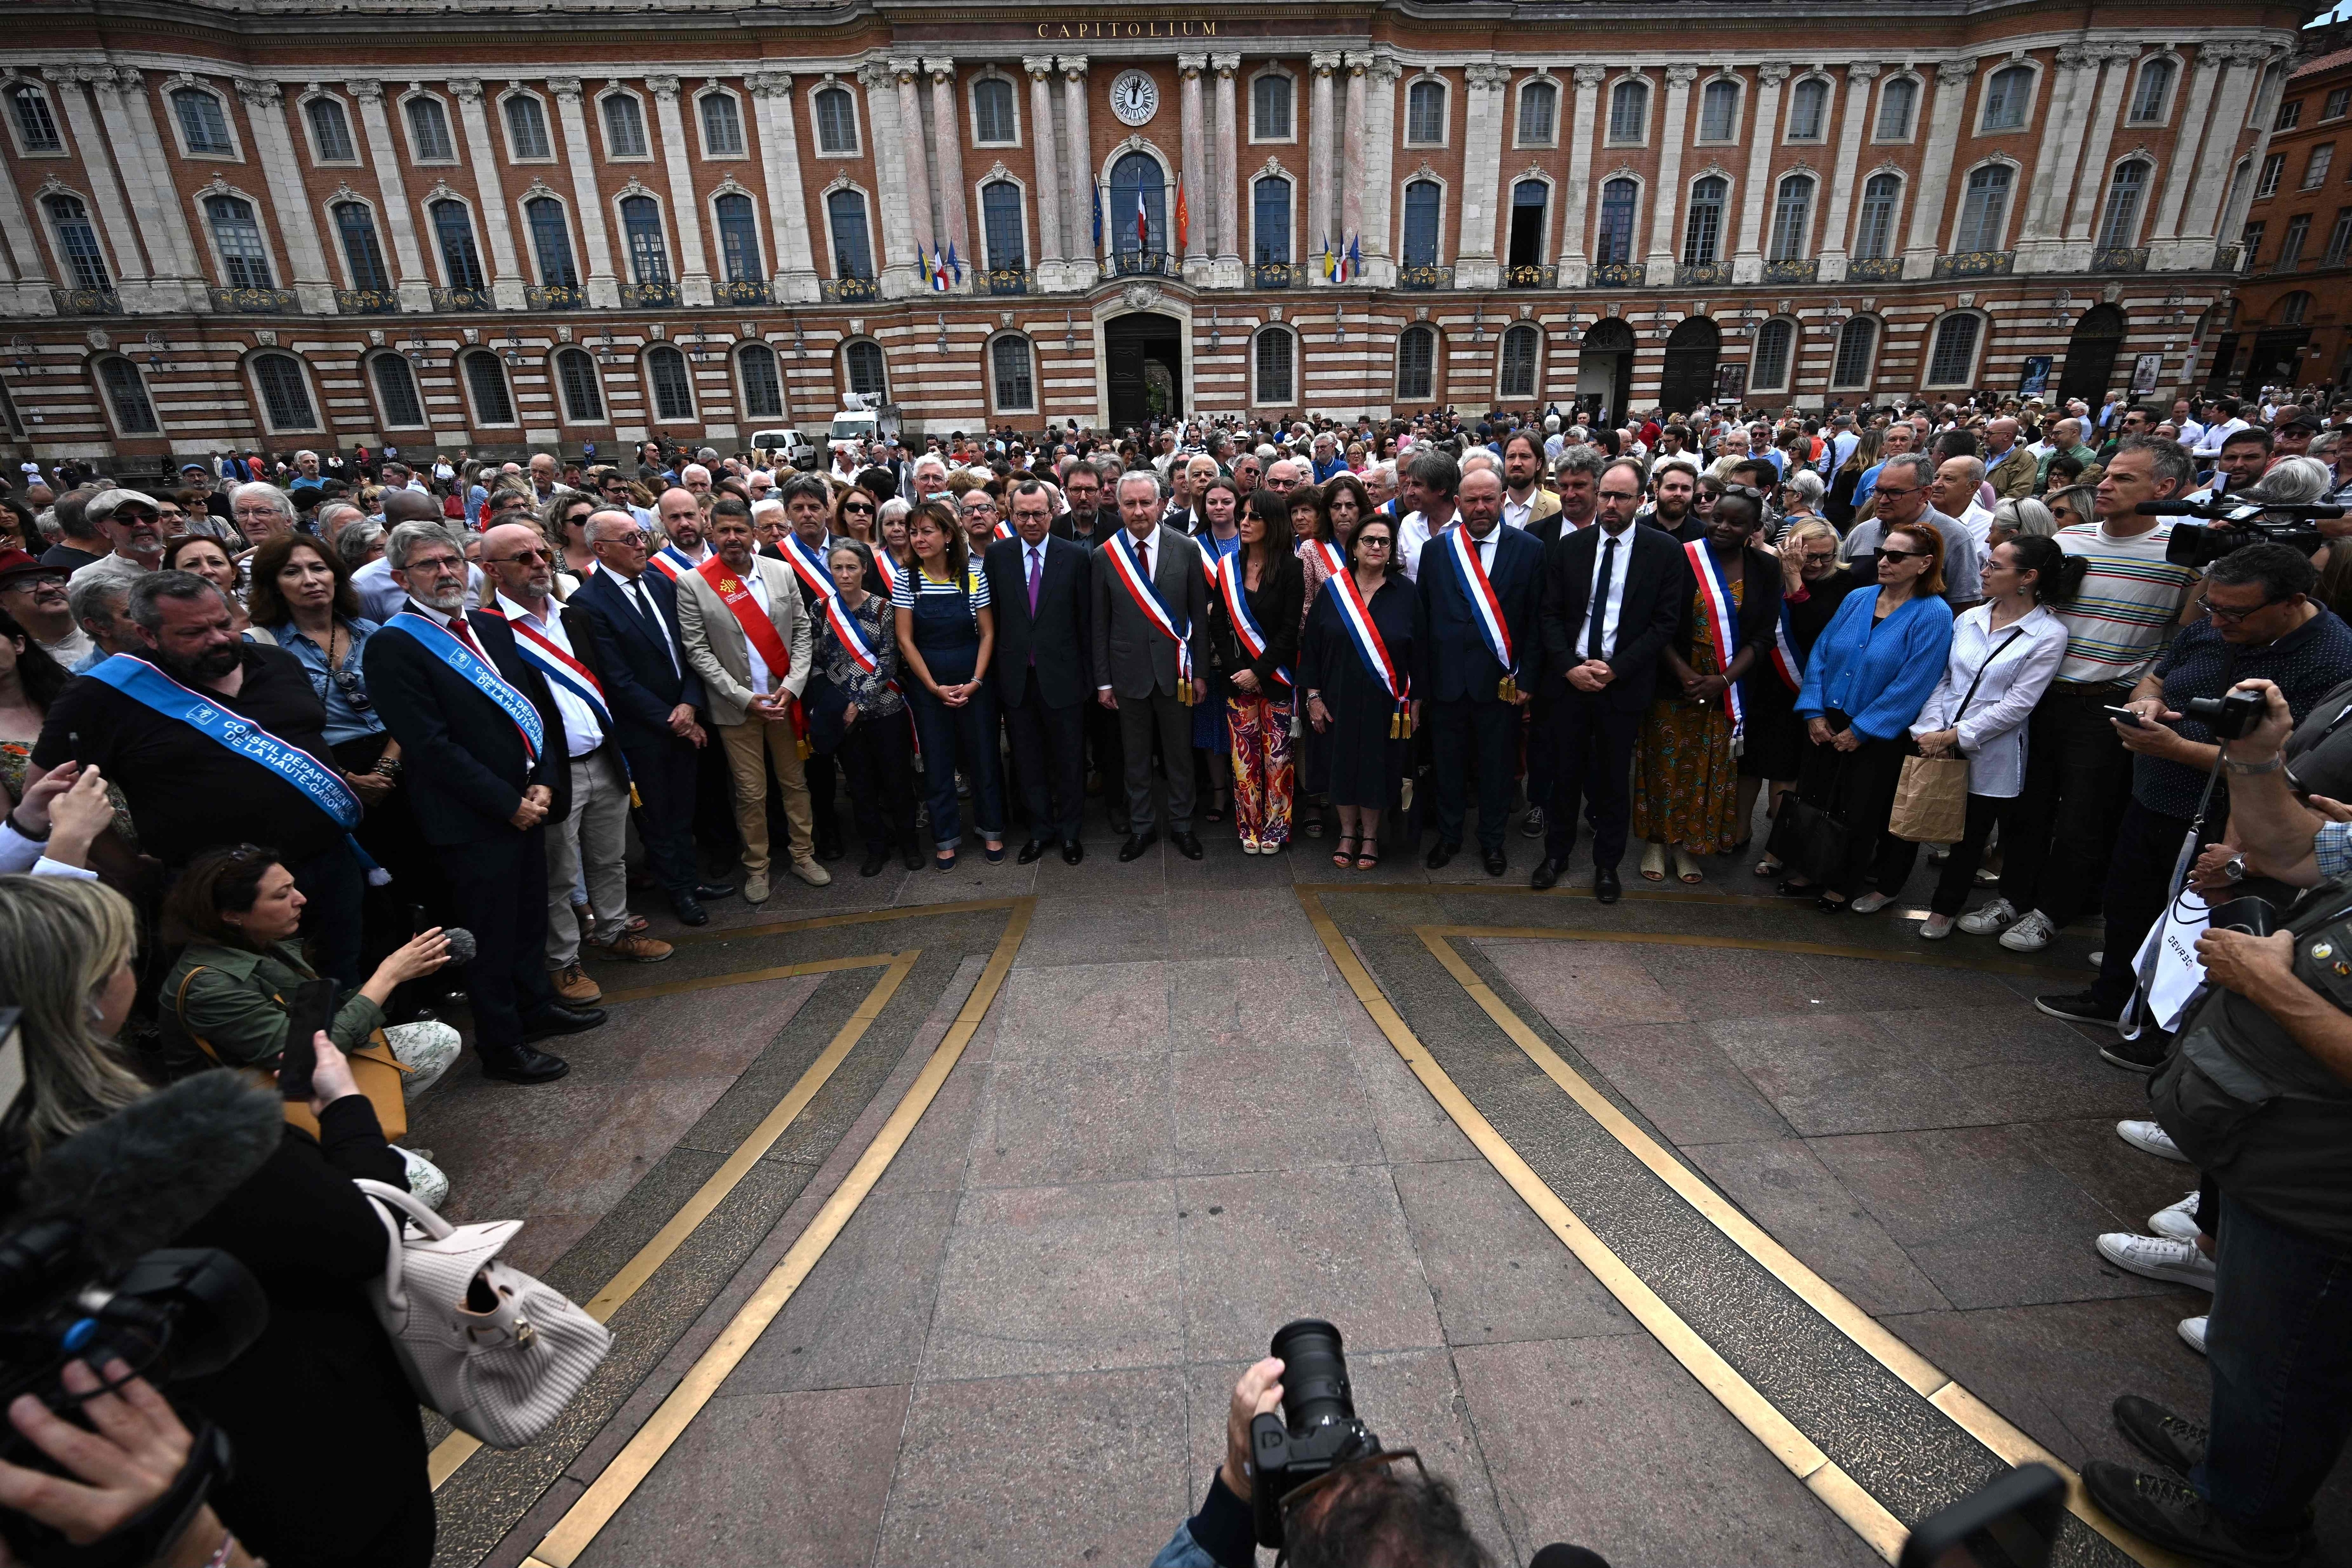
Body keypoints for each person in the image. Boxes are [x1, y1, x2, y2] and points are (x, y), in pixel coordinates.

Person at [2063, 677, 2352, 1563]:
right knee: (2251, 1333)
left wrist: (2270, 983)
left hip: (2327, 1184)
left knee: (2288, 1351)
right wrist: (2258, 759)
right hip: (2276, 1139)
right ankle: (2238, 1455)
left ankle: (2249, 1515)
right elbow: (2298, 848)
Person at [2037, 543, 2352, 1051]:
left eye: (2234, 613)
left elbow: (2292, 767)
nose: (2219, 621)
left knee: (2200, 928)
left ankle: (2167, 1037)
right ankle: (2113, 993)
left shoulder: (2334, 659)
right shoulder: (2212, 624)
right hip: (2155, 793)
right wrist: (2148, 703)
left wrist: (2179, 748)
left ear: (2291, 602)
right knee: (2130, 901)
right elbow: (2157, 675)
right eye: (2212, 606)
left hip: (2238, 821)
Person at [363, 521, 597, 1084]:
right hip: (470, 820)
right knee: (489, 937)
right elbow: (429, 745)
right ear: (400, 577)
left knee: (528, 918)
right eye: (428, 565)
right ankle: (502, 1044)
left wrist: (543, 780)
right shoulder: (394, 645)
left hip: (527, 802)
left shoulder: (490, 627)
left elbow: (534, 711)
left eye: (451, 561)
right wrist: (506, 803)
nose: (445, 573)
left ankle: (536, 1007)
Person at [1966, 439, 2204, 952]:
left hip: (2107, 701)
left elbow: (2184, 631)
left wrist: (2154, 679)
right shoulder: (2070, 540)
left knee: (2082, 816)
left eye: (2123, 479)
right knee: (2026, 806)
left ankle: (2052, 910)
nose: (2105, 484)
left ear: (2163, 488)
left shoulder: (2182, 552)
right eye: (2108, 474)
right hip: (2039, 695)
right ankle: (2013, 895)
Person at [478, 520, 673, 1011]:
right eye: (523, 558)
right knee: (559, 874)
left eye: (541, 552)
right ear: (493, 571)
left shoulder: (574, 615)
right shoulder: (486, 631)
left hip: (602, 758)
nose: (539, 562)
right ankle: (563, 961)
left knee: (610, 858)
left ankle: (613, 931)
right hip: (550, 773)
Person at [156, 845, 459, 1124]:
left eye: (293, 886)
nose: (300, 898)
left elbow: (320, 1023)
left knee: (437, 1040)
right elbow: (306, 1059)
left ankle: (365, 1141)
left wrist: (402, 972)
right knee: (427, 1186)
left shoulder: (255, 943)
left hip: (288, 1081)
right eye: (281, 895)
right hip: (237, 1121)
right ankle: (338, 1160)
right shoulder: (210, 985)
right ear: (232, 915)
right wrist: (387, 976)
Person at [1534, 457, 1688, 899]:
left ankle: (1607, 865)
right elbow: (1549, 614)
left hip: (1623, 684)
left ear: (1642, 500)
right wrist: (1569, 666)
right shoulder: (1571, 547)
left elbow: (1664, 623)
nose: (1611, 504)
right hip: (1571, 680)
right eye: (1606, 495)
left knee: (1613, 780)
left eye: (1622, 496)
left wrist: (1616, 668)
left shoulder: (1662, 551)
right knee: (1565, 776)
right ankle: (1556, 855)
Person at [568, 511, 732, 924]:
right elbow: (616, 679)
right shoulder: (588, 603)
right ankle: (678, 890)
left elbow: (693, 648)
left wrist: (691, 704)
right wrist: (675, 718)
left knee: (685, 807)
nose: (641, 544)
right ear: (600, 549)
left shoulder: (661, 582)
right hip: (645, 730)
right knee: (658, 816)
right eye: (629, 539)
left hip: (685, 712)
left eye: (640, 535)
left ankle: (690, 878)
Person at [1910, 537, 2076, 939]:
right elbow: (1946, 678)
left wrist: (1956, 735)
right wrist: (1929, 727)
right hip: (1940, 737)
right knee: (1932, 819)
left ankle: (1945, 907)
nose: (1983, 572)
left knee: (1973, 833)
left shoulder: (2047, 634)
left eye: (1995, 566)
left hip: (1993, 749)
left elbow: (2020, 703)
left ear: (2028, 577)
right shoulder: (1968, 619)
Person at [1787, 523, 1956, 910]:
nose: (1884, 561)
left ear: (1924, 564)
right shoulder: (1860, 597)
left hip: (1878, 730)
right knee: (1814, 796)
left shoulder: (1933, 613)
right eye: (1883, 552)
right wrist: (1813, 711)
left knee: (1860, 810)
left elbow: (1914, 682)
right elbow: (1823, 652)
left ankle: (1842, 883)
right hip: (1827, 717)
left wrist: (1862, 730)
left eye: (1897, 556)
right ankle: (1811, 868)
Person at [676, 500, 829, 898]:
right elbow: (698, 652)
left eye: (740, 530)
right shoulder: (696, 583)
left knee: (795, 783)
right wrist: (743, 697)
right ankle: (757, 866)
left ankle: (803, 854)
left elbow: (800, 632)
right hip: (736, 707)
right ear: (712, 533)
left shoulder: (780, 572)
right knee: (750, 792)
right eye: (724, 531)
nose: (732, 538)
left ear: (754, 534)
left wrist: (792, 686)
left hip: (784, 702)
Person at [1632, 484, 1782, 884]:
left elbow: (1763, 635)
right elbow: (1656, 623)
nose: (1722, 527)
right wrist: (1684, 673)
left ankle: (1687, 843)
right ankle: (1657, 840)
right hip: (1673, 678)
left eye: (1736, 522)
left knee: (1706, 766)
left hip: (1726, 686)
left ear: (1754, 528)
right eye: (1717, 517)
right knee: (1663, 761)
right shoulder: (1680, 557)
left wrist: (1723, 680)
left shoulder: (1766, 568)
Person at [1416, 467, 1545, 877]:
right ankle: (1450, 836)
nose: (1481, 507)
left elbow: (1538, 620)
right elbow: (1424, 618)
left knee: (1497, 769)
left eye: (1489, 498)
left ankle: (1492, 841)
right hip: (1447, 682)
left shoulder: (1529, 549)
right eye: (1471, 500)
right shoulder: (1437, 550)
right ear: (1457, 504)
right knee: (1448, 766)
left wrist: (1528, 679)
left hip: (1501, 684)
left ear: (1503, 499)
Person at [1094, 470, 1214, 861]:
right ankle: (1142, 827)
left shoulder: (1186, 548)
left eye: (1147, 502)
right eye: (1130, 503)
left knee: (1179, 755)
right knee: (1135, 757)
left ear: (1161, 504)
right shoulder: (1104, 556)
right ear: (1119, 506)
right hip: (1127, 675)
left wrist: (1200, 673)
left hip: (1176, 674)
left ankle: (1182, 824)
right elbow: (1100, 623)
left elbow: (1199, 615)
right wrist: (1103, 682)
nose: (1139, 510)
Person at [1745, 519, 1862, 878]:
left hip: (1813, 690)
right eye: (1807, 556)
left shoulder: (1847, 584)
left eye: (1825, 557)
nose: (1816, 564)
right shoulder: (1768, 573)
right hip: (1764, 682)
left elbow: (1813, 626)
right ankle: (1736, 833)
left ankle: (1778, 848)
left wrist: (1794, 579)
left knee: (1790, 770)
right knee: (1748, 764)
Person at [1302, 514, 1419, 870]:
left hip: (1388, 703)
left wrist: (1416, 703)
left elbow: (1421, 651)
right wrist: (1313, 697)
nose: (1376, 547)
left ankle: (1371, 835)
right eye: (1368, 540)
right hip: (1337, 698)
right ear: (1353, 547)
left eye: (1384, 542)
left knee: (1375, 767)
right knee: (1341, 765)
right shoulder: (1334, 590)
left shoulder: (1406, 592)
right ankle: (1347, 832)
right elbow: (1311, 648)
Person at [984, 480, 1092, 865]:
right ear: (1009, 516)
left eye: (1038, 513)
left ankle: (1069, 833)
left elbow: (1086, 623)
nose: (1031, 521)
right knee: (1027, 761)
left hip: (1064, 680)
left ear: (1053, 513)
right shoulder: (997, 556)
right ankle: (1040, 831)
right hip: (1016, 680)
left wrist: (1089, 680)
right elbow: (992, 617)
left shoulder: (1076, 557)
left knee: (1068, 761)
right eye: (1022, 514)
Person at [893, 499, 1005, 869]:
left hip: (974, 677)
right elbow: (906, 639)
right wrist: (932, 686)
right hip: (929, 684)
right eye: (914, 532)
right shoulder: (905, 577)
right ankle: (945, 837)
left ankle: (991, 830)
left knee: (984, 757)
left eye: (927, 531)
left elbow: (988, 633)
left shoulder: (974, 574)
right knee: (937, 762)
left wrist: (975, 681)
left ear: (947, 536)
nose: (918, 539)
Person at [806, 541, 919, 876]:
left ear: (864, 569)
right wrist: (839, 704)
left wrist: (859, 702)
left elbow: (888, 661)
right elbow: (816, 663)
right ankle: (875, 848)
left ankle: (910, 845)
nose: (845, 574)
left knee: (897, 780)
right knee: (860, 784)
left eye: (852, 567)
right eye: (838, 567)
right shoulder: (819, 610)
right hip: (843, 715)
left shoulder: (885, 608)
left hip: (885, 710)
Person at [1212, 489, 1305, 854]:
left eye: (1254, 517)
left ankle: (1277, 828)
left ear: (1274, 524)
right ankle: (1248, 826)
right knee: (1243, 759)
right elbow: (1219, 624)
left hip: (1278, 679)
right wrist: (1239, 671)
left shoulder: (1291, 567)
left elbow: (1288, 629)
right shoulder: (1228, 567)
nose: (1244, 523)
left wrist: (1260, 671)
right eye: (1244, 516)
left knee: (1277, 759)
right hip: (1239, 681)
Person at [66, 489, 165, 590]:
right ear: (104, 529)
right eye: (125, 519)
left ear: (161, 523)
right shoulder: (86, 580)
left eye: (148, 517)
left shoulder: (181, 561)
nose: (140, 524)